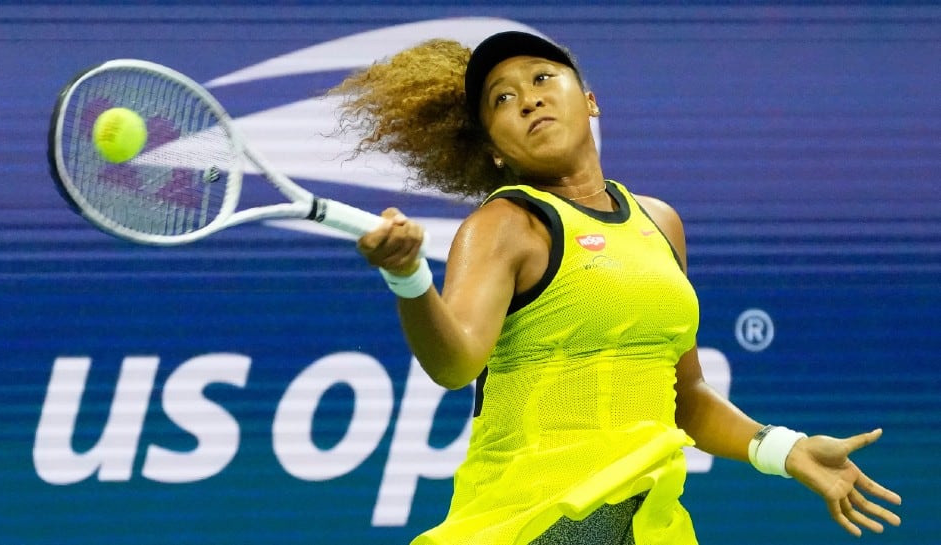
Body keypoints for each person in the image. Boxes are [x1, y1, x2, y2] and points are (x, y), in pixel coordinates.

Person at [331, 31, 902, 544]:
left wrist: (786, 448)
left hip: (644, 520)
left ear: (590, 100)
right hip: (539, 522)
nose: (527, 98)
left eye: (541, 78)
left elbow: (686, 397)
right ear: (494, 150)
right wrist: (407, 277)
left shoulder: (659, 222)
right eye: (501, 99)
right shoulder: (505, 224)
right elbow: (454, 363)